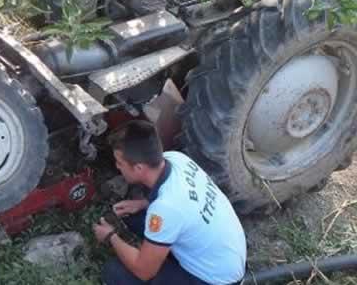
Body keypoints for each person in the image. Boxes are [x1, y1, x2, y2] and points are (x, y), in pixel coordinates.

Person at [92, 120, 246, 285]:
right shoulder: (176, 159)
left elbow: (144, 271)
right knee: (134, 217)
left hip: (213, 280)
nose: (117, 166)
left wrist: (110, 237)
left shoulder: (165, 209)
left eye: (120, 163)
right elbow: (183, 200)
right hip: (223, 256)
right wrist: (143, 204)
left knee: (115, 272)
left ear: (138, 168)